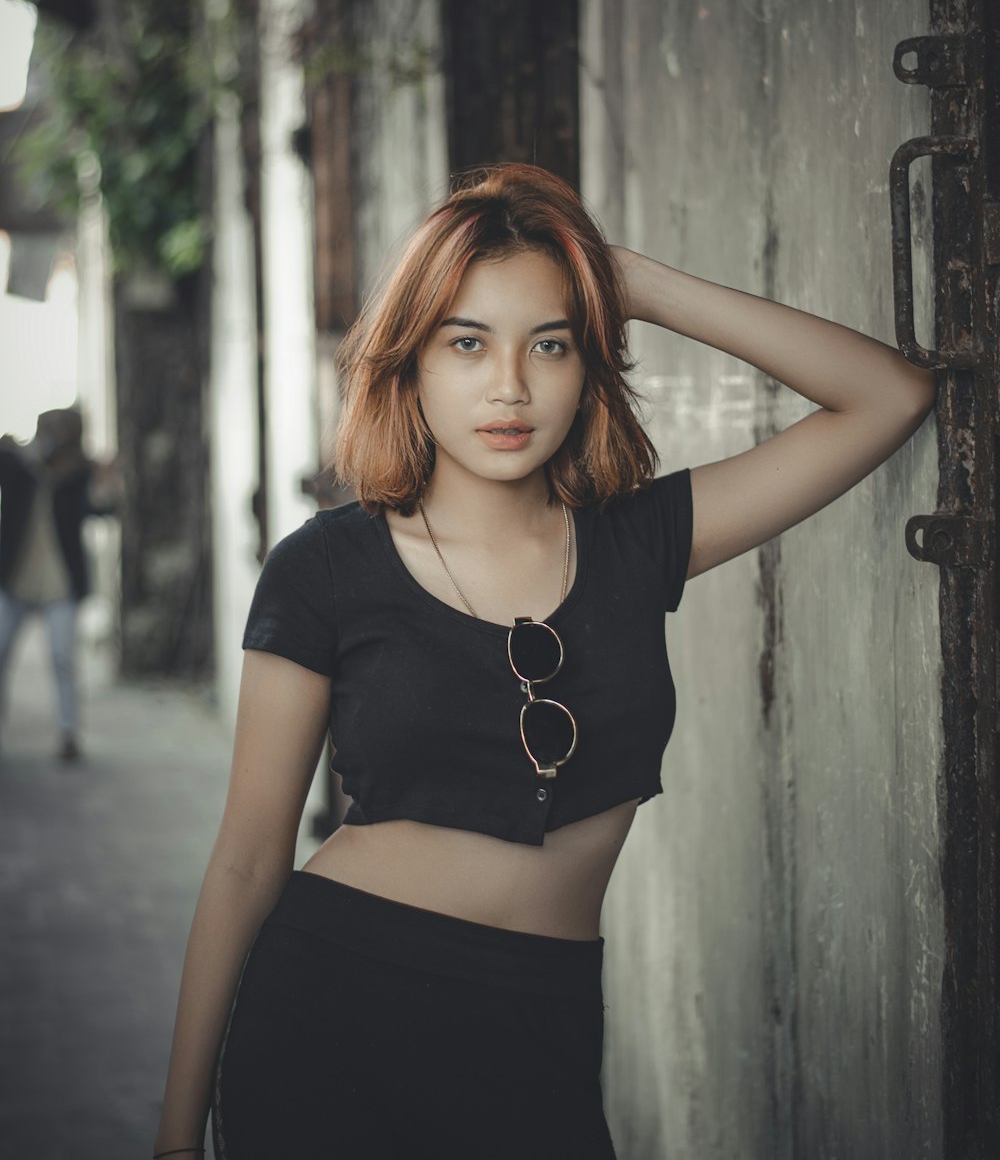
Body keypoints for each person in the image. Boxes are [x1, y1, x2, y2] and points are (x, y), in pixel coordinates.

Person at [153, 163, 935, 1160]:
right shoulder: (322, 570)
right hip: (333, 1004)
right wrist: (178, 1133)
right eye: (467, 343)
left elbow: (885, 395)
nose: (509, 386)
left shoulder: (639, 539)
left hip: (541, 1018)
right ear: (413, 363)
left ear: (591, 363)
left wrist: (633, 281)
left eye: (550, 345)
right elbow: (248, 857)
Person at [0, 406, 121, 762]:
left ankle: (69, 734)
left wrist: (107, 481)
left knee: (63, 657)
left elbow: (103, 510)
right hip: (15, 581)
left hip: (59, 585)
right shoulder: (20, 466)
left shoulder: (80, 474)